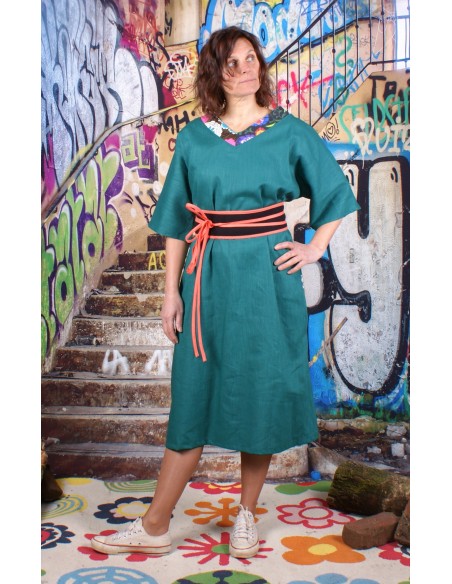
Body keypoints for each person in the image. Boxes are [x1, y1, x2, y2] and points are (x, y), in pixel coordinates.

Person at [91, 25, 360, 559]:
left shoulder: (289, 131)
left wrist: (313, 248)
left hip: (267, 278)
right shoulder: (195, 138)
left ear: (260, 64)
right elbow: (174, 222)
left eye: (250, 58)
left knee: (260, 391)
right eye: (231, 63)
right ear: (215, 75)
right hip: (206, 277)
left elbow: (334, 191)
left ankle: (246, 515)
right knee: (194, 393)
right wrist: (171, 293)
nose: (244, 70)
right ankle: (155, 524)